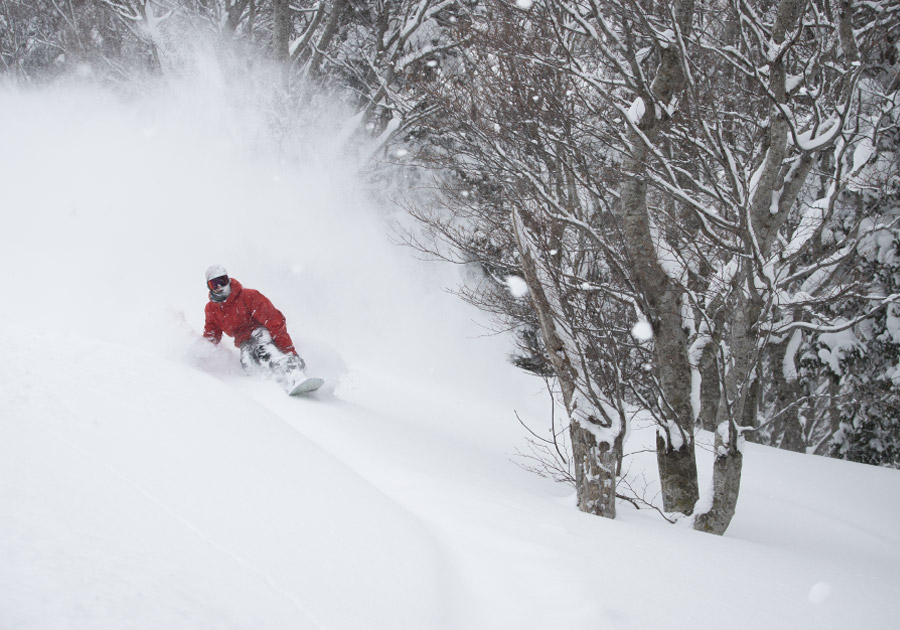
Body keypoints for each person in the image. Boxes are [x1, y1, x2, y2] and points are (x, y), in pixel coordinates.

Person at [203, 265, 307, 384]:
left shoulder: (248, 296)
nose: (219, 286)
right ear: (209, 287)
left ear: (228, 280)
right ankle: (269, 385)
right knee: (248, 363)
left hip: (260, 331)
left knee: (265, 351)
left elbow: (274, 320)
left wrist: (289, 350)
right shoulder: (212, 309)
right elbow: (211, 335)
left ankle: (295, 374)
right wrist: (202, 355)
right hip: (244, 342)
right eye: (214, 284)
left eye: (222, 281)